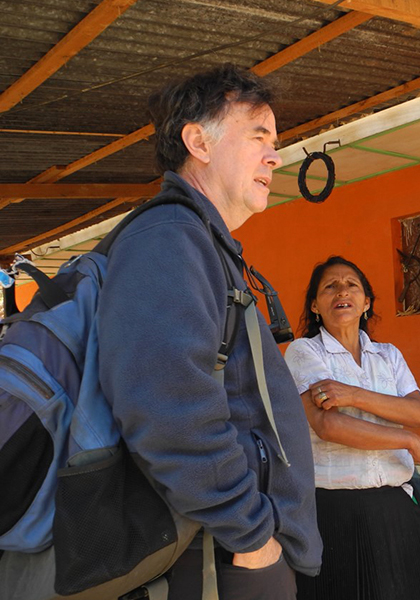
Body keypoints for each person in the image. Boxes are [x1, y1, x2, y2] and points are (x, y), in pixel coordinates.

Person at [97, 65, 322, 599]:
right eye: (259, 136)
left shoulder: (197, 240)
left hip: (224, 542)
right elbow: (167, 409)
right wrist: (250, 534)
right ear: (197, 141)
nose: (276, 156)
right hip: (211, 552)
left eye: (277, 142)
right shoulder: (168, 239)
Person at [284, 256, 420, 600]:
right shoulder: (303, 352)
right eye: (329, 287)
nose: (341, 292)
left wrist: (351, 394)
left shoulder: (388, 355)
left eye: (351, 284)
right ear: (315, 305)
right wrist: (407, 440)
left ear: (366, 302)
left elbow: (418, 412)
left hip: (395, 504)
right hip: (335, 510)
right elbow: (328, 424)